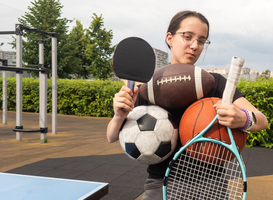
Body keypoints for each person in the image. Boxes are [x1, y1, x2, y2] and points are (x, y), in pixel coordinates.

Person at [107, 10, 268, 200]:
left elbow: (262, 121)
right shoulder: (149, 88)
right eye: (187, 37)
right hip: (161, 186)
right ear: (170, 38)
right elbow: (111, 136)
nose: (194, 45)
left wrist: (243, 118)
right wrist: (119, 115)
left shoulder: (215, 83)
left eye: (201, 41)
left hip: (212, 186)